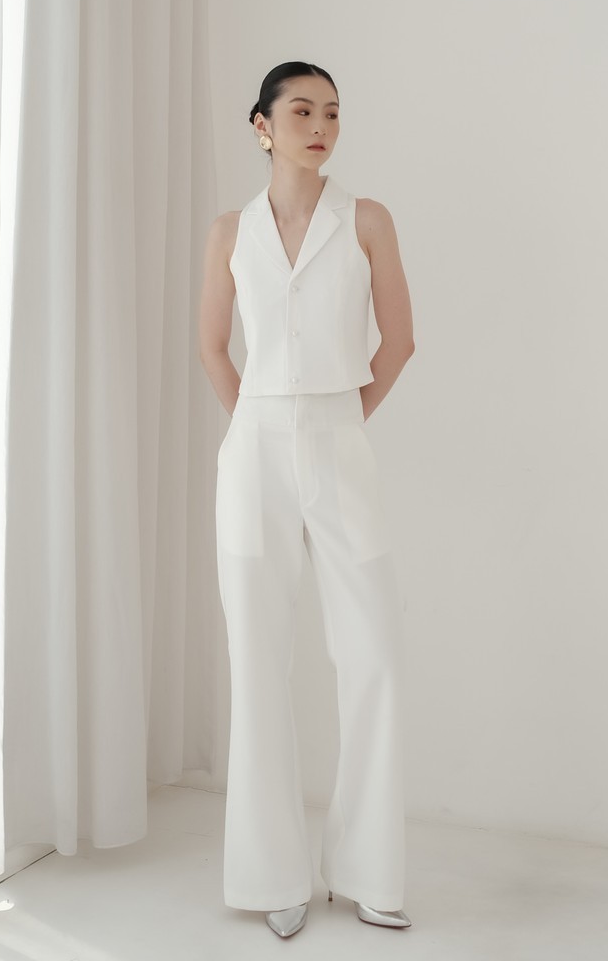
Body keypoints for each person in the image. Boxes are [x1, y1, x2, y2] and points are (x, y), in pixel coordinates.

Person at [198, 61, 415, 940]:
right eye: (301, 111)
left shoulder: (367, 220)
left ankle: (370, 871)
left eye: (331, 112)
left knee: (375, 655)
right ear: (262, 126)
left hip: (339, 446)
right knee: (258, 661)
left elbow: (399, 342)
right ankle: (274, 875)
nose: (320, 126)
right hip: (253, 456)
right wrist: (258, 423)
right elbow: (212, 346)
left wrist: (335, 420)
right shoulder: (229, 231)